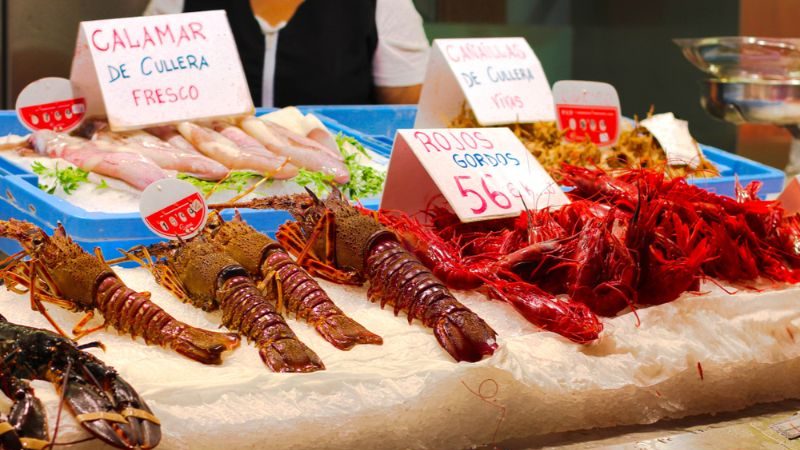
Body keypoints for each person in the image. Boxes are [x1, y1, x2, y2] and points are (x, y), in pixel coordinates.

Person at [145, 0, 430, 107]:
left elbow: (407, 113)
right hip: (207, 185)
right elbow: (138, 96)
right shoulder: (175, 3)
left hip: (337, 194)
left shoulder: (383, 4)